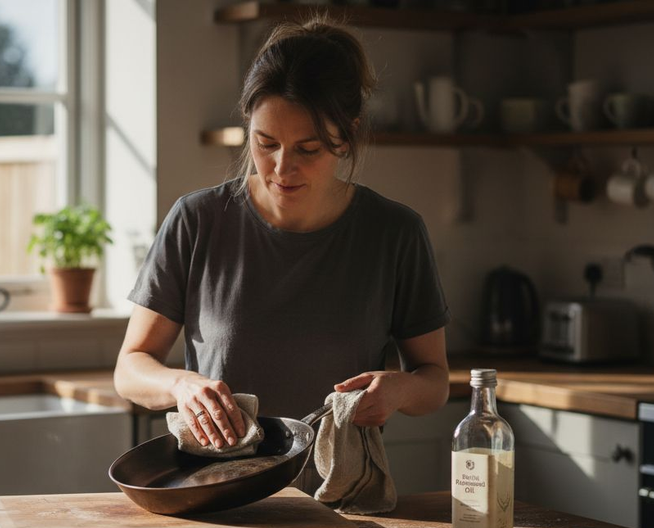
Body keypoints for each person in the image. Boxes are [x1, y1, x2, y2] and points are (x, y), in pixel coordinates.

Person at [114, 17, 450, 461]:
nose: (281, 167)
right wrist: (179, 384)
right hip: (219, 493)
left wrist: (401, 389)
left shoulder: (394, 232)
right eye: (265, 143)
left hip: (342, 499)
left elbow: (435, 381)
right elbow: (130, 368)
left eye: (308, 150)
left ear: (346, 138)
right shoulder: (197, 221)